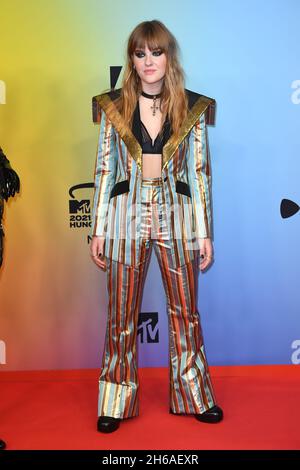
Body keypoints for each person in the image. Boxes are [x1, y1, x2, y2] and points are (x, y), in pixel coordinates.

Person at [90, 19, 223, 434]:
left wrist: (204, 233)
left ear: (169, 56)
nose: (148, 61)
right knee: (120, 313)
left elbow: (199, 174)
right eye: (140, 53)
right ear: (131, 58)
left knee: (186, 310)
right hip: (125, 214)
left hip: (178, 215)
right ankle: (115, 397)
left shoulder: (192, 107)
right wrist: (99, 229)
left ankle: (195, 395)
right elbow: (104, 170)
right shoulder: (113, 106)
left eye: (157, 52)